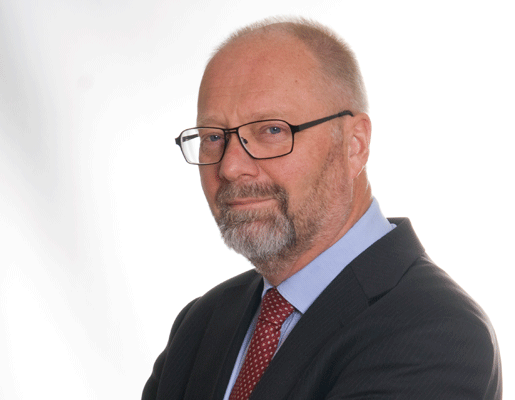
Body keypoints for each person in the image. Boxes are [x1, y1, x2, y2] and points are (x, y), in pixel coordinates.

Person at [142, 18, 502, 400]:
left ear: (354, 144)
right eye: (214, 136)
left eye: (272, 130)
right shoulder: (201, 323)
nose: (230, 167)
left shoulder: (436, 331)